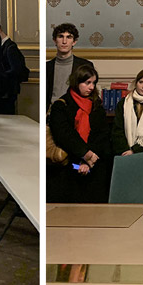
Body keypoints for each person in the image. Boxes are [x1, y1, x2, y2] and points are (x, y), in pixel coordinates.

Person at [47, 64, 111, 204]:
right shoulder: (61, 105)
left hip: (94, 164)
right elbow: (64, 135)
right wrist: (85, 155)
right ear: (77, 82)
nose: (91, 87)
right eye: (87, 83)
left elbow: (102, 134)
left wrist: (89, 159)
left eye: (93, 83)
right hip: (69, 164)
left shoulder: (96, 105)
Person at [46, 23, 93, 108]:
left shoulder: (85, 65)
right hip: (51, 111)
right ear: (55, 40)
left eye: (69, 37)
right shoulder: (47, 67)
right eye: (60, 36)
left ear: (74, 42)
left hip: (75, 110)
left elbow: (90, 94)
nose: (64, 41)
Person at [0, 21, 29, 114]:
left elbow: (16, 69)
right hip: (6, 90)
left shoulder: (10, 47)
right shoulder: (5, 46)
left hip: (8, 90)